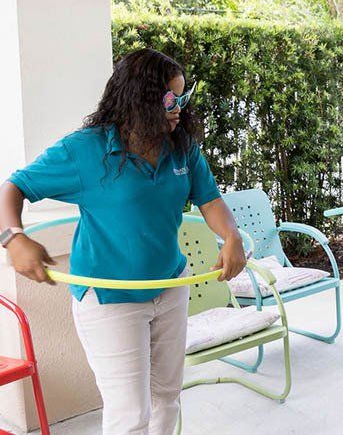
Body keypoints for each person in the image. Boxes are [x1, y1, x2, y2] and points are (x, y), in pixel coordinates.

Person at [0, 49, 247, 435]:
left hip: (169, 285)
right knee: (131, 413)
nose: (178, 108)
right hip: (109, 298)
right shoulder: (85, 151)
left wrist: (231, 235)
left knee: (167, 396)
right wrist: (13, 238)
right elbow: (13, 188)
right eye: (169, 99)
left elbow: (211, 201)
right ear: (139, 98)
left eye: (183, 97)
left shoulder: (181, 147)